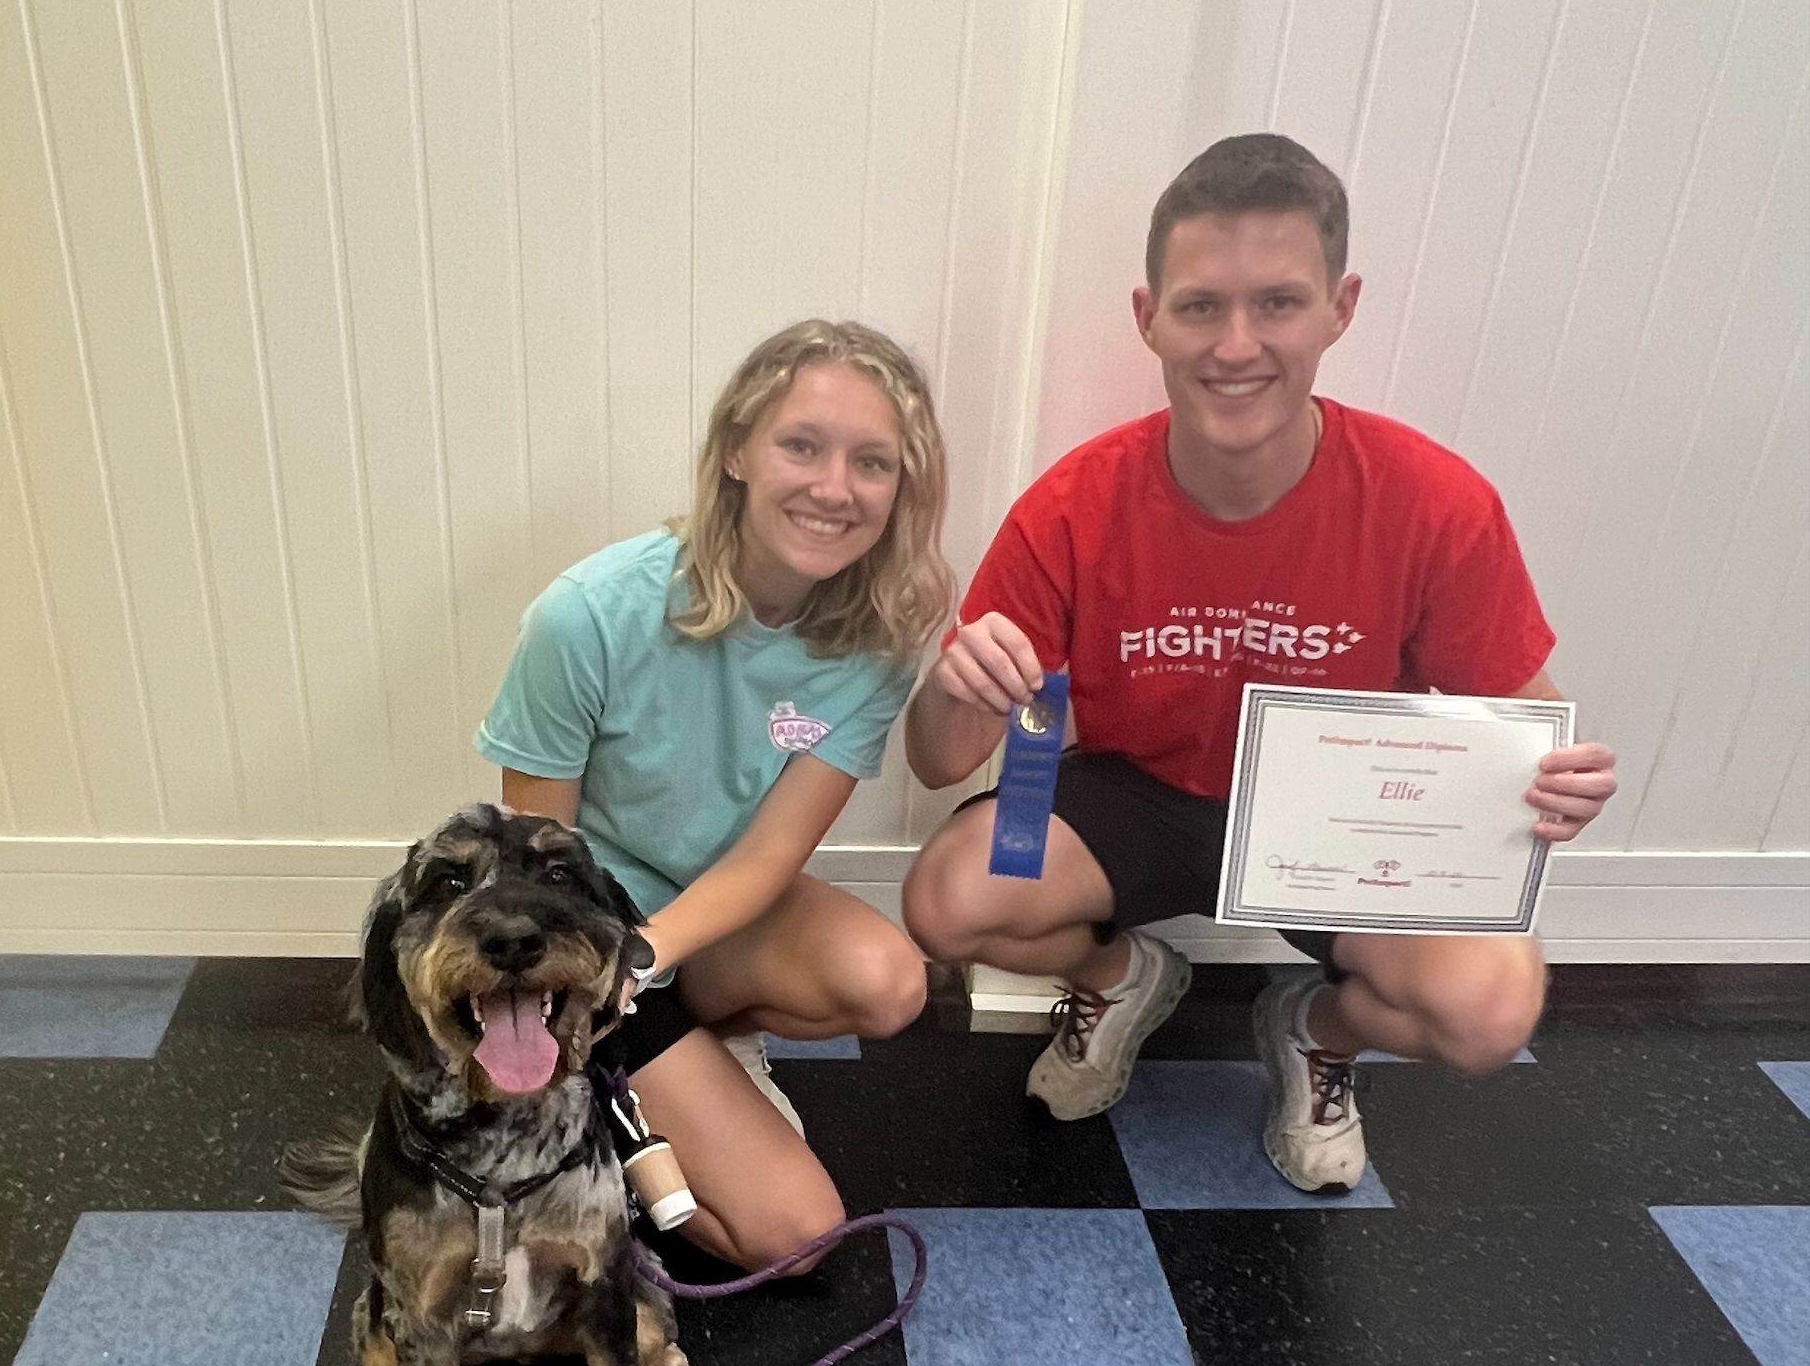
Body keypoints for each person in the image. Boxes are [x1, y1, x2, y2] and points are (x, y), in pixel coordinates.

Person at [901, 134, 1617, 1194]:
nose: (1236, 343)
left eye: (1277, 302)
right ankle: (1122, 977)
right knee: (951, 899)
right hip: (1133, 795)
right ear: (1148, 317)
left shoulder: (1432, 501)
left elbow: (1525, 720)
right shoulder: (1072, 503)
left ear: (1341, 306)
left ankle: (1314, 1030)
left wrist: (1563, 784)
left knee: (1487, 1012)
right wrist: (955, 688)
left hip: (1333, 819)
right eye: (1200, 306)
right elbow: (934, 759)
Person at [478, 319, 953, 1268]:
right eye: (802, 446)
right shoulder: (586, 616)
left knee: (892, 981)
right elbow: (535, 868)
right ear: (736, 450)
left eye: (873, 462)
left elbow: (773, 856)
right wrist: (602, 985)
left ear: (903, 489)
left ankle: (701, 1051)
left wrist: (654, 958)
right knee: (798, 1240)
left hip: (690, 929)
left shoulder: (880, 634)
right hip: (591, 932)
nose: (833, 488)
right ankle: (601, 1115)